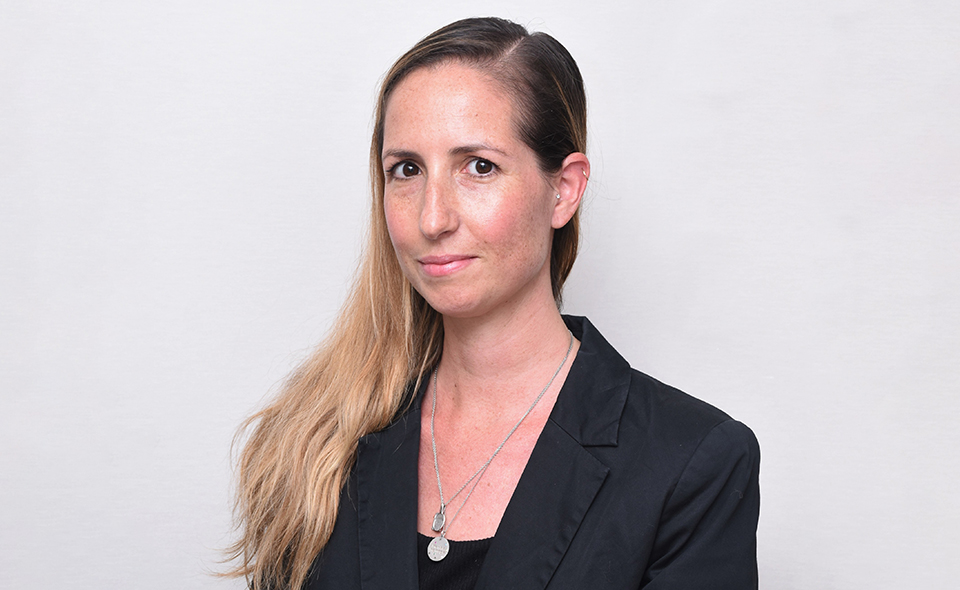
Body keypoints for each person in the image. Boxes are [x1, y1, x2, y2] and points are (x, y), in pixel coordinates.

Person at [226, 16, 760, 590]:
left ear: (564, 189)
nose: (433, 218)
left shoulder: (690, 463)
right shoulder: (314, 439)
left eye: (479, 167)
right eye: (406, 170)